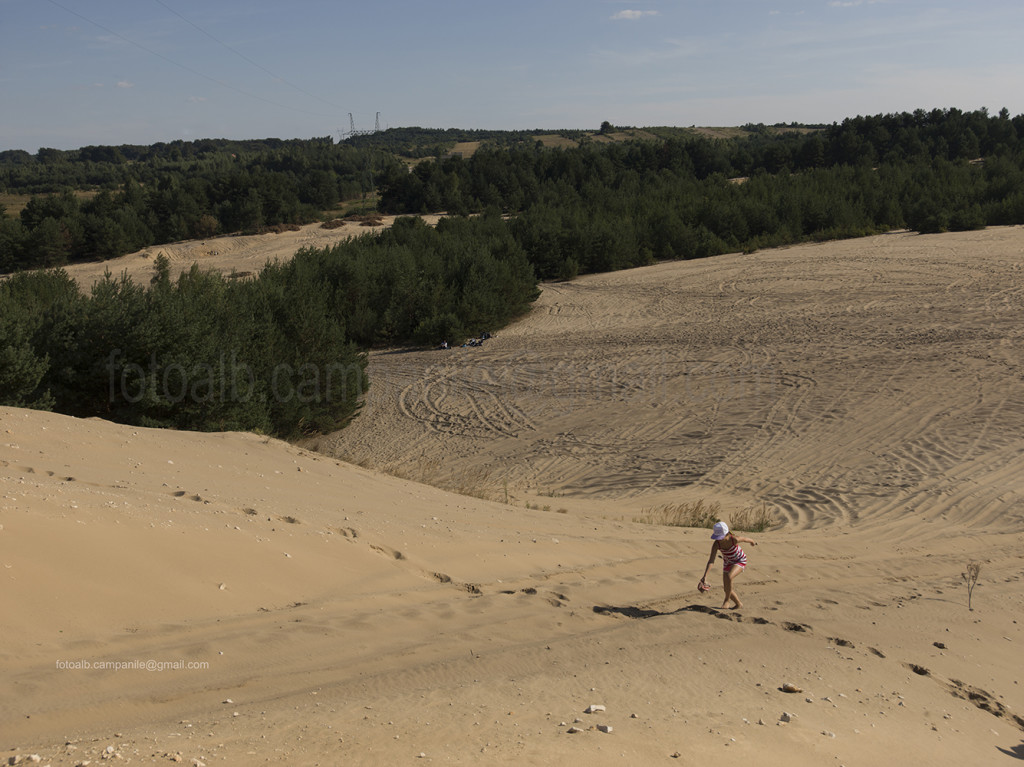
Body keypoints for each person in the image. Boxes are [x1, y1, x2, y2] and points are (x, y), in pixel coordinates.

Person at [698, 521, 757, 609]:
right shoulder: (716, 544)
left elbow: (745, 539)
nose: (719, 539)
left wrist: (752, 542)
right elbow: (711, 560)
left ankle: (726, 601)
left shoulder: (734, 539)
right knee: (726, 588)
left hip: (739, 560)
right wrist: (705, 576)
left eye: (721, 537)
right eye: (717, 537)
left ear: (727, 534)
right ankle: (738, 604)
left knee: (729, 577)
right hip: (727, 563)